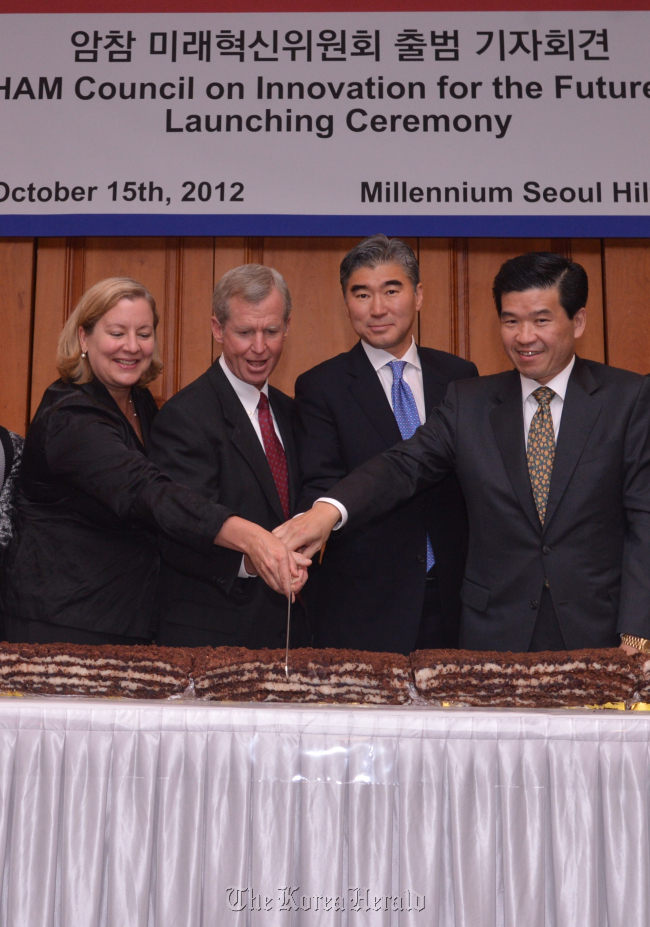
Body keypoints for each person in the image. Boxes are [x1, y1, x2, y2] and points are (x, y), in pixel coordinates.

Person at [276, 252, 650, 655]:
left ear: (577, 321)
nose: (524, 337)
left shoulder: (627, 399)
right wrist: (327, 511)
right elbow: (403, 464)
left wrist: (637, 631)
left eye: (541, 320)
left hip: (600, 633)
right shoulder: (469, 401)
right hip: (494, 636)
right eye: (510, 321)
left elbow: (644, 523)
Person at [1, 277, 307, 646]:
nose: (131, 346)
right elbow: (146, 490)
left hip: (128, 617)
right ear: (84, 338)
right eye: (117, 332)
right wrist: (252, 537)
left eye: (143, 334)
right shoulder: (69, 417)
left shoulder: (138, 402)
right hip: (65, 621)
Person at [294, 234, 477, 654]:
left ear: (418, 296)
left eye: (391, 290)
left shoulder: (460, 377)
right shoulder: (321, 386)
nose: (377, 308)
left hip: (457, 599)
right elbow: (317, 490)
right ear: (346, 302)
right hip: (366, 606)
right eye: (362, 293)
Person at [148, 264, 310, 649]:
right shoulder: (183, 416)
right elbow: (177, 532)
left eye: (271, 331)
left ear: (287, 327)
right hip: (212, 641)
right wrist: (253, 562)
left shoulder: (293, 412)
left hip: (292, 637)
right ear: (218, 329)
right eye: (244, 332)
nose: (259, 347)